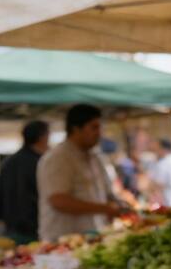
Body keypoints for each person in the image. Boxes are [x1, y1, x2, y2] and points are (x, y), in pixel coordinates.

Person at [37, 104, 121, 242]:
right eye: (94, 127)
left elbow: (107, 193)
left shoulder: (96, 156)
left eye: (100, 127)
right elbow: (59, 201)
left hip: (94, 235)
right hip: (63, 241)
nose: (99, 133)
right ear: (76, 128)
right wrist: (105, 208)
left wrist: (117, 205)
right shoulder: (58, 158)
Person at [0, 120, 49, 244]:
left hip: (10, 225)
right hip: (34, 226)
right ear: (42, 137)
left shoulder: (8, 162)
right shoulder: (41, 163)